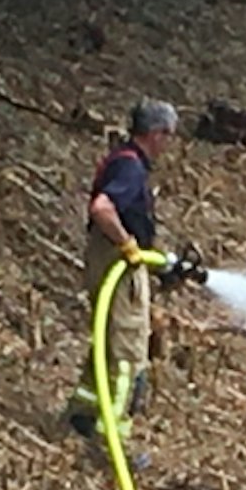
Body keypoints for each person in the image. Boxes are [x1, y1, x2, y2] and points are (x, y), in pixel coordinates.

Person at [64, 98, 179, 454]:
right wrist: (129, 245)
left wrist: (158, 261)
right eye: (168, 136)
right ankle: (110, 441)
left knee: (108, 342)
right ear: (156, 133)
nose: (168, 144)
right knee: (128, 356)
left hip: (114, 262)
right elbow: (102, 208)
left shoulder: (122, 160)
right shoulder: (131, 168)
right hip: (118, 266)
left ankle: (82, 413)